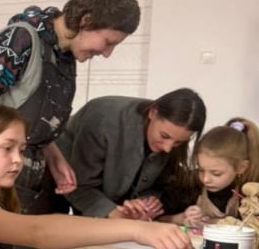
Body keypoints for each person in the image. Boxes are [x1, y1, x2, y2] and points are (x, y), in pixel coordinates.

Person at [0, 0, 141, 212]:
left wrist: (54, 157)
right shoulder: (18, 41)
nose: (107, 53)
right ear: (86, 21)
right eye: (108, 42)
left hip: (25, 186)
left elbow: (30, 120)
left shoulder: (64, 57)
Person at [0, 103, 194, 249]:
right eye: (7, 148)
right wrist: (137, 230)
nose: (18, 160)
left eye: (22, 150)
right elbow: (37, 232)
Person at [54, 88, 206, 220]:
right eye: (164, 136)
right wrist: (114, 212)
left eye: (178, 143)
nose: (167, 148)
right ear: (153, 113)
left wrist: (146, 202)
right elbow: (80, 186)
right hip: (56, 184)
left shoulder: (173, 137)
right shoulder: (103, 118)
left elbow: (159, 184)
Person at [168, 117, 259, 227]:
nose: (205, 179)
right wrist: (181, 218)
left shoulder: (252, 192)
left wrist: (217, 222)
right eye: (201, 170)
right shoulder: (189, 184)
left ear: (241, 167)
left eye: (216, 174)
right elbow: (156, 219)